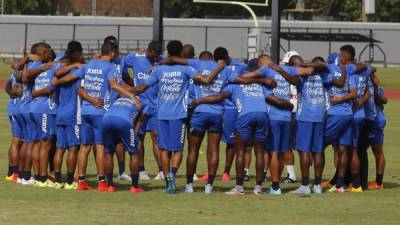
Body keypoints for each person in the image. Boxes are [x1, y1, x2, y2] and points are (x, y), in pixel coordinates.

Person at [130, 40, 237, 193]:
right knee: (178, 150)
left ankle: (169, 182)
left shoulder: (159, 71)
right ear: (181, 53)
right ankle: (172, 175)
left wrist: (125, 90)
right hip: (178, 115)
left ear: (167, 52)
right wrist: (219, 68)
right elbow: (207, 80)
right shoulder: (187, 69)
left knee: (164, 149)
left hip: (161, 114)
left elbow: (141, 88)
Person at [53, 42, 131, 191]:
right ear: (113, 54)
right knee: (100, 146)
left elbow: (77, 88)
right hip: (100, 111)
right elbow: (114, 85)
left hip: (85, 112)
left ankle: (81, 180)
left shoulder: (88, 66)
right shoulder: (111, 68)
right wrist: (131, 95)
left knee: (84, 146)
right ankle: (102, 181)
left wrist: (90, 99)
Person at [323, 45, 366, 193]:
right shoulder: (353, 72)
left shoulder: (332, 71)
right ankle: (346, 185)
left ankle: (313, 184)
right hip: (351, 115)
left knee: (317, 146)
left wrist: (339, 99)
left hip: (339, 115)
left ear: (342, 57)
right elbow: (357, 93)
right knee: (347, 150)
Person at [121, 40, 163, 181]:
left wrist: (161, 63)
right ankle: (141, 170)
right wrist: (128, 82)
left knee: (156, 137)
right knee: (139, 138)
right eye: (153, 55)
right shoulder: (136, 57)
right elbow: (121, 66)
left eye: (157, 56)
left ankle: (162, 171)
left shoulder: (161, 60)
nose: (155, 58)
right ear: (148, 51)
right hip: (140, 104)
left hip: (156, 105)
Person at [288, 56, 328, 194]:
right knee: (317, 151)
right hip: (319, 116)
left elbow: (293, 79)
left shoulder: (302, 75)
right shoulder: (322, 75)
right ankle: (317, 185)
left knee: (304, 151)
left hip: (304, 116)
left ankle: (305, 186)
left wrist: (294, 70)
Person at [51, 41, 85, 189]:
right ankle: (70, 181)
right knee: (73, 148)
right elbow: (81, 92)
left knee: (60, 148)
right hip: (73, 115)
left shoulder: (62, 69)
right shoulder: (78, 72)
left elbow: (56, 76)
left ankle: (58, 180)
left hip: (60, 113)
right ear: (78, 54)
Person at [21, 43, 55, 186]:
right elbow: (23, 78)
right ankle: (41, 177)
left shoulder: (32, 66)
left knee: (33, 142)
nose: (51, 54)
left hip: (31, 108)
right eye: (48, 52)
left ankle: (27, 175)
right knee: (44, 144)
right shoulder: (46, 66)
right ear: (43, 53)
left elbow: (21, 76)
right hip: (43, 109)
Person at [103, 95, 143, 193]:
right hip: (124, 121)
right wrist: (135, 138)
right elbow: (139, 121)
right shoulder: (139, 101)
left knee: (108, 153)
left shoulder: (117, 99)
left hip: (106, 119)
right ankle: (134, 186)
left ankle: (110, 186)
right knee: (134, 153)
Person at [5, 70, 23, 182]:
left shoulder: (16, 70)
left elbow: (7, 86)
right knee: (17, 140)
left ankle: (11, 171)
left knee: (18, 141)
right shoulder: (19, 72)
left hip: (17, 109)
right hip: (16, 109)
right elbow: (8, 87)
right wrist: (15, 93)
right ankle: (14, 172)